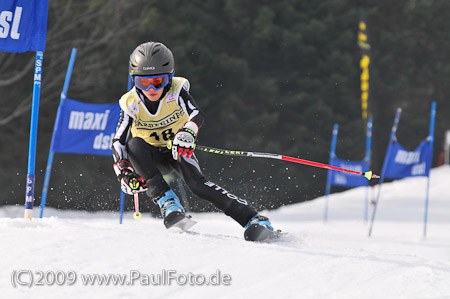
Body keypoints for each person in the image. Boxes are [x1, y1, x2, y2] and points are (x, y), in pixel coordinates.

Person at [111, 41, 274, 236]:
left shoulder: (177, 90)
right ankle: (168, 202)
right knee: (133, 144)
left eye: (158, 81)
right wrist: (123, 172)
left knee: (198, 186)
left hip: (178, 149)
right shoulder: (130, 103)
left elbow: (196, 114)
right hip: (150, 156)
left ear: (169, 78)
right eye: (142, 82)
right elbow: (118, 141)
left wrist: (187, 132)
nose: (151, 88)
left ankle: (253, 218)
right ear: (134, 79)